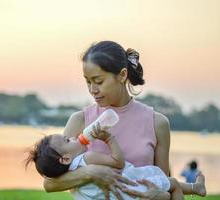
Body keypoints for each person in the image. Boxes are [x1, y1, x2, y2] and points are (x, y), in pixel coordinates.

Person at [41, 41, 202, 199]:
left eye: (99, 81)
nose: (92, 90)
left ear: (122, 75)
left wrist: (158, 195)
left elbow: (163, 182)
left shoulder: (157, 123)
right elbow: (50, 184)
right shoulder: (80, 120)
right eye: (88, 82)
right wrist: (92, 173)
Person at [26, 124, 206, 200]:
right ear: (65, 158)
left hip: (122, 195)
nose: (73, 137)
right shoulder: (87, 158)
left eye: (98, 80)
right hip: (133, 189)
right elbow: (118, 162)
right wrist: (109, 138)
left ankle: (196, 188)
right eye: (67, 140)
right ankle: (196, 188)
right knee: (173, 184)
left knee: (170, 187)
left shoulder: (70, 176)